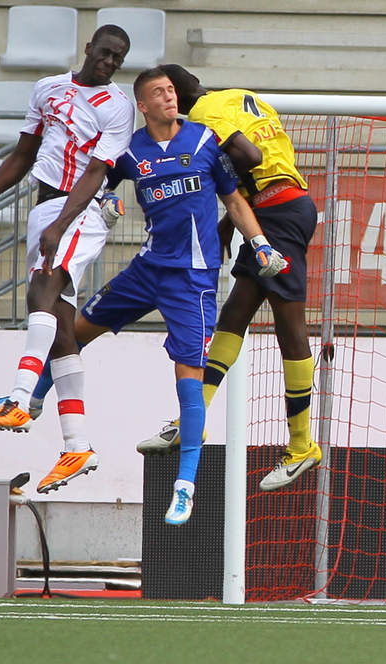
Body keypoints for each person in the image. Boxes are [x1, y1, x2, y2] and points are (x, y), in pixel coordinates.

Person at [0, 25, 133, 493]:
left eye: (119, 58)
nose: (111, 63)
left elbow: (97, 171)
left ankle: (19, 397)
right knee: (61, 326)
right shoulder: (48, 89)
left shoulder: (117, 107)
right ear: (89, 46)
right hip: (44, 208)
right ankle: (76, 446)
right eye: (107, 53)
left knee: (41, 287)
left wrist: (60, 224)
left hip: (79, 210)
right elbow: (23, 154)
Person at [133, 65, 321, 493]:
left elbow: (250, 158)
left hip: (279, 214)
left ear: (178, 96)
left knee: (290, 328)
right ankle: (190, 420)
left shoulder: (202, 117)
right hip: (279, 207)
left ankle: (302, 444)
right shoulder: (239, 95)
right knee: (234, 315)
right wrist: (227, 226)